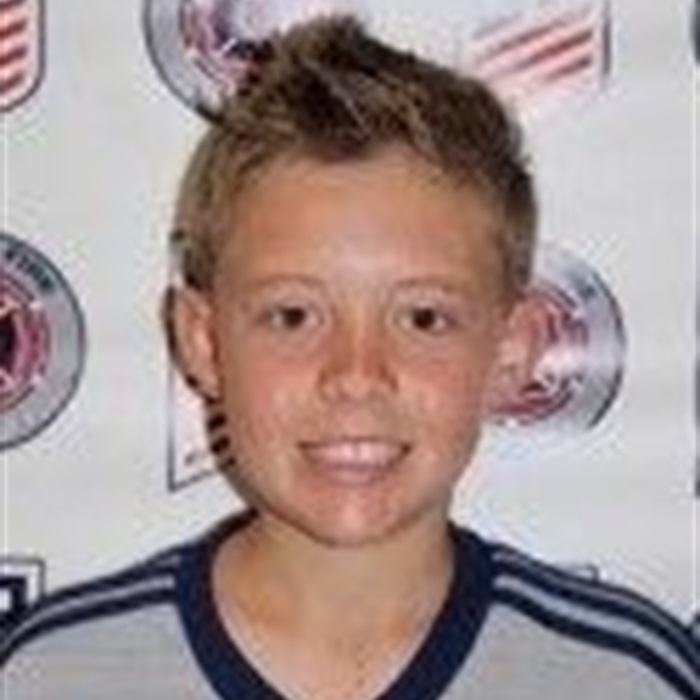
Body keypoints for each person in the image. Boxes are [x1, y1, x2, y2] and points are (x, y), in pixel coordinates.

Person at [1, 15, 697, 700]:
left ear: (510, 352)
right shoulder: (48, 677)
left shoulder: (629, 678)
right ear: (203, 342)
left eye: (423, 318)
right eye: (292, 316)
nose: (356, 376)